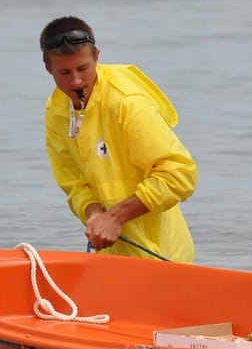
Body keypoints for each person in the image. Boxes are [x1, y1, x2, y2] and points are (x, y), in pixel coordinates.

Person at [41, 16, 197, 262]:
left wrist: (115, 217)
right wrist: (93, 214)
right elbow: (73, 182)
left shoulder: (127, 102)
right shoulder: (56, 110)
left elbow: (179, 175)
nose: (76, 81)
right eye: (64, 72)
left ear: (97, 56)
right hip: (113, 258)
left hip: (162, 256)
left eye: (83, 68)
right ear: (48, 68)